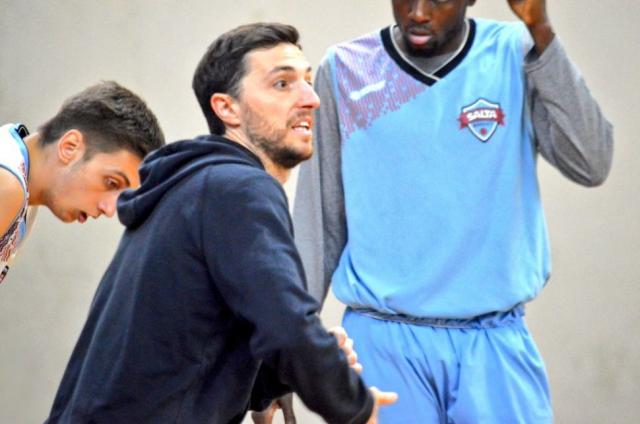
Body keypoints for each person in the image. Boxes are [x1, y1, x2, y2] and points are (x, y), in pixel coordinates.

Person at [45, 23, 396, 424]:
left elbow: (191, 368)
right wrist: (354, 406)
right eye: (282, 84)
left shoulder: (193, 190)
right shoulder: (239, 189)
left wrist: (289, 370)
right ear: (227, 109)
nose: (311, 99)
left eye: (308, 81)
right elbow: (287, 328)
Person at [294, 0, 613, 422]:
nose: (418, 13)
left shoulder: (515, 52)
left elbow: (591, 163)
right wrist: (283, 355)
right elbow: (319, 225)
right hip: (383, 341)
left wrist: (542, 32)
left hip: (494, 341)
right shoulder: (346, 68)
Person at [0, 81, 165, 284]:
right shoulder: (8, 185)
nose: (110, 210)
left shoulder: (17, 166)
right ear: (70, 147)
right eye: (111, 183)